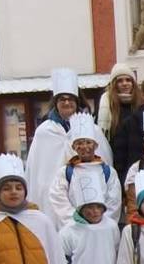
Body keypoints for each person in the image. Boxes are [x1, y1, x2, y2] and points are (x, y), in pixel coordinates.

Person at [27, 68, 113, 223]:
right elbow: (35, 172)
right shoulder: (44, 132)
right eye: (62, 99)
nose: (66, 103)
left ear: (77, 101)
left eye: (70, 99)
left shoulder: (93, 130)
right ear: (56, 103)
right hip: (53, 205)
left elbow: (105, 164)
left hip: (89, 202)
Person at [46, 112, 122, 228]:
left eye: (88, 142)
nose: (84, 147)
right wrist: (76, 221)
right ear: (74, 147)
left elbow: (114, 201)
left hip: (101, 228)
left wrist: (102, 222)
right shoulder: (65, 172)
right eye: (79, 143)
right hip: (75, 228)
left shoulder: (108, 172)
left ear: (96, 146)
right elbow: (58, 198)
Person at [96, 62, 136, 138]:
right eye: (120, 81)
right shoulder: (107, 102)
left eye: (128, 80)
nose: (125, 83)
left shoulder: (140, 102)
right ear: (114, 84)